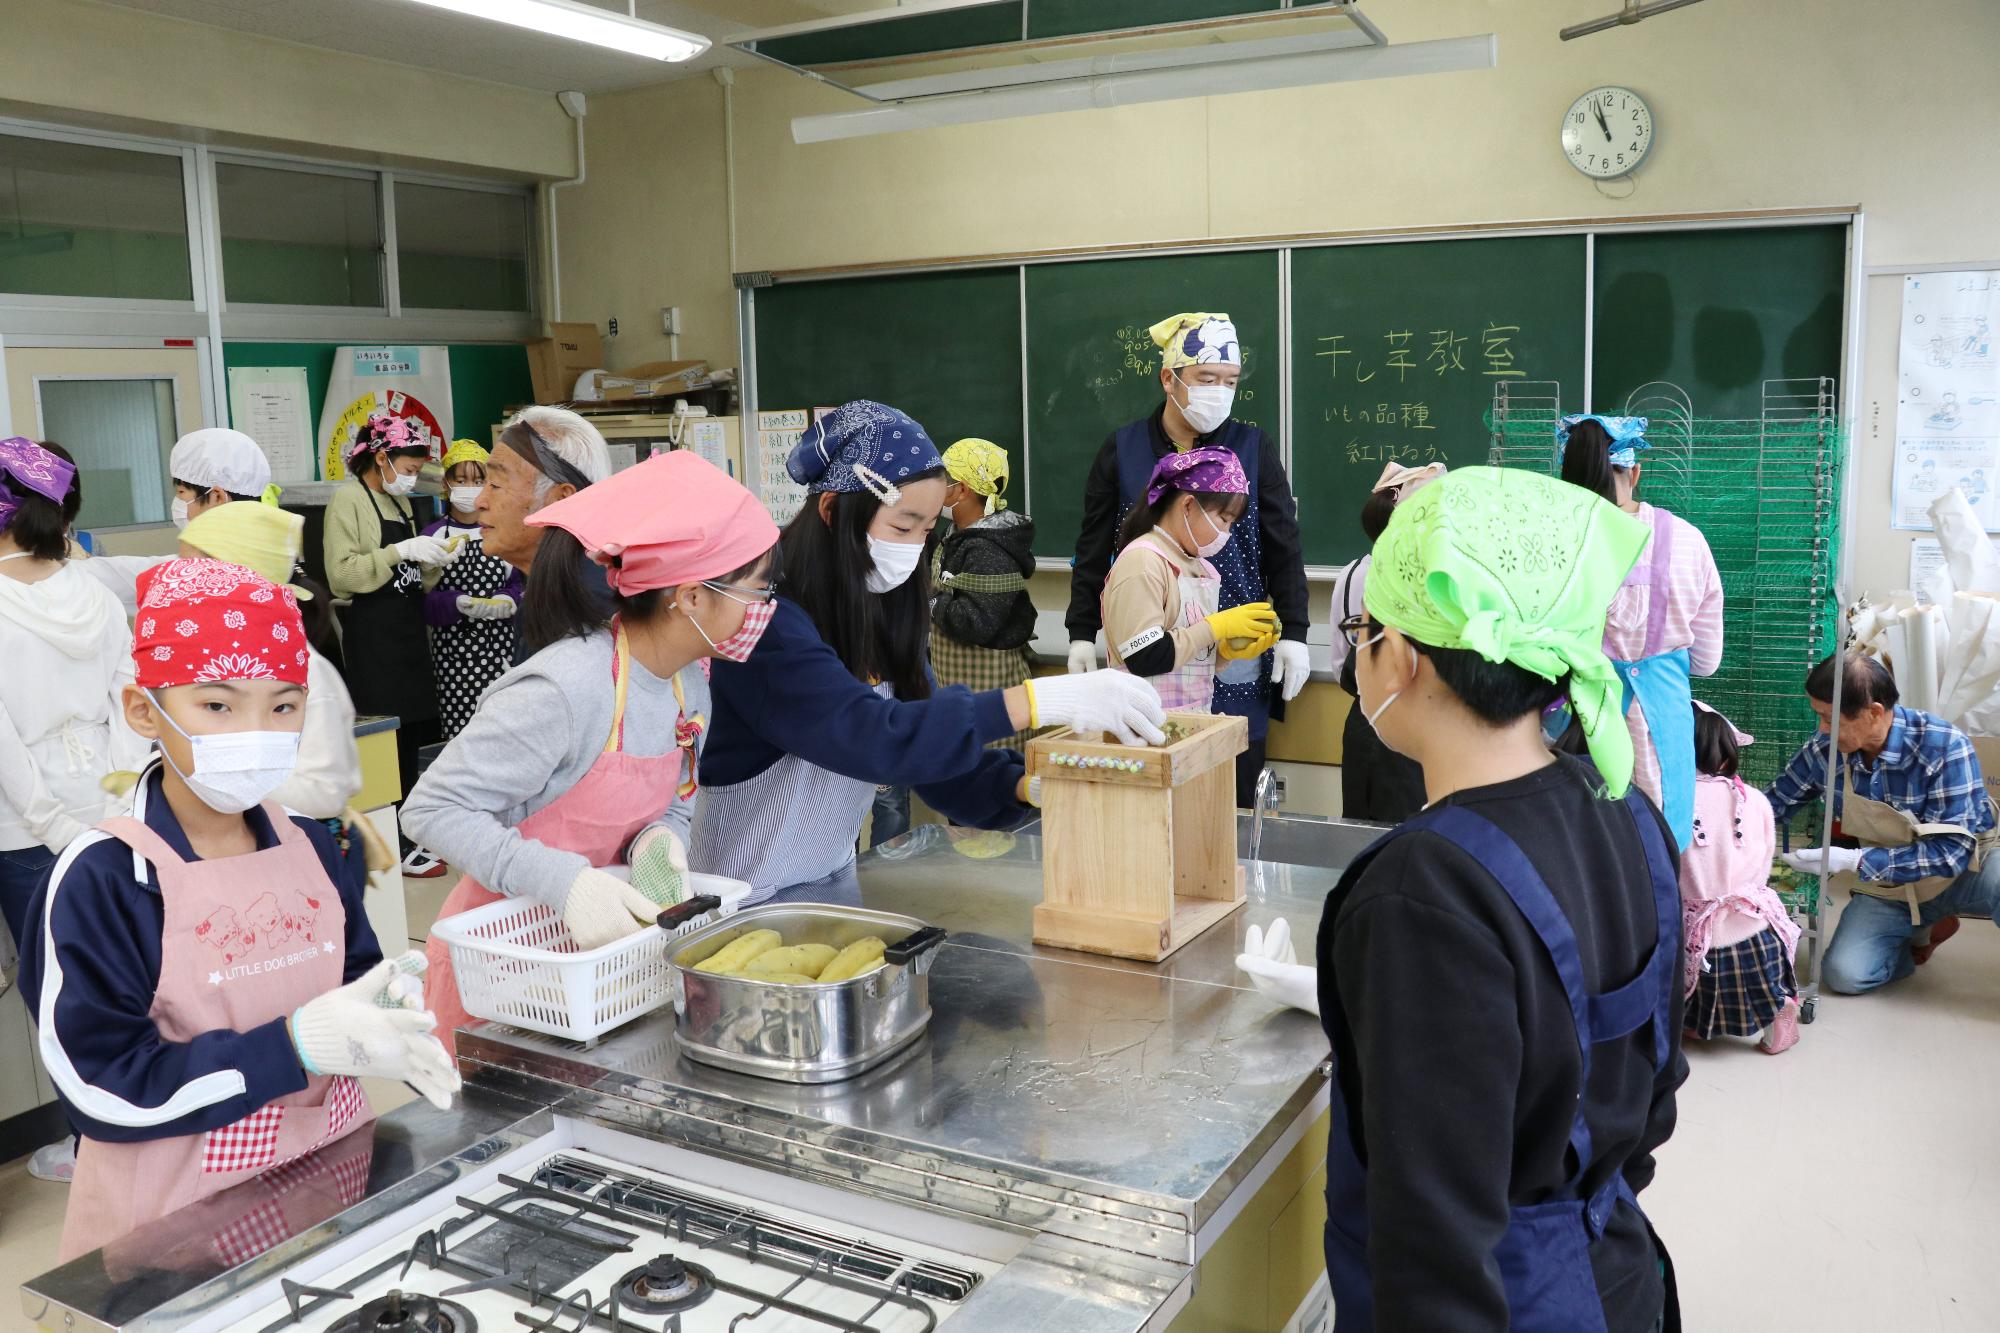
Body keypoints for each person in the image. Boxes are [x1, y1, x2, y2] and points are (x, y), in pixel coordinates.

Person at [1235, 466, 1685, 1331]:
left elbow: (1432, 1244)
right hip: (1618, 1275)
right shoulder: (1627, 812)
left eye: (1364, 628)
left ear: (1403, 655)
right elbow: (1653, 1094)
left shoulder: (1422, 891)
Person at [20, 558, 456, 1261]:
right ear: (143, 711)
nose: (254, 730)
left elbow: (359, 968)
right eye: (218, 705)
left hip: (332, 1174)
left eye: (282, 706)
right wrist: (292, 1047)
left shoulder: (311, 841)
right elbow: (99, 1085)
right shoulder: (104, 878)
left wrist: (396, 1004)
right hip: (177, 1226)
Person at [692, 400, 1166, 906]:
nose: (914, 547)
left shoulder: (882, 614)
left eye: (925, 531)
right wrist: (1039, 701)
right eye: (901, 527)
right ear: (832, 510)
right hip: (735, 901)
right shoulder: (770, 627)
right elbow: (876, 737)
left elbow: (929, 755)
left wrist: (1027, 787)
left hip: (825, 889)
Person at [405, 451, 777, 1052]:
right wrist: (565, 882)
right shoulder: (568, 688)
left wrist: (660, 841)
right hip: (504, 978)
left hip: (607, 975)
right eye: (757, 590)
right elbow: (431, 809)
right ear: (690, 596)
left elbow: (677, 799)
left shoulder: (691, 683)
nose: (764, 610)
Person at [1065, 312, 1311, 806]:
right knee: (1153, 792)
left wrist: (1297, 632)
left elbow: (1283, 543)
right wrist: (1079, 633)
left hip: (1235, 649)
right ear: (1169, 378)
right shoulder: (1123, 450)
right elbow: (1093, 548)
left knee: (1230, 794)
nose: (1218, 391)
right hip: (1149, 652)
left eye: (1230, 381)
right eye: (1205, 379)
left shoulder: (1253, 447)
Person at [0, 438, 148, 1184]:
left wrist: (52, 822)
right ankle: (142, 1113)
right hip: (111, 803)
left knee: (53, 983)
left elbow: (1, 744)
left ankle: (94, 1136)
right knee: (121, 963)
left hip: (25, 826)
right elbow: (130, 698)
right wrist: (117, 795)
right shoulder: (91, 589)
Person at [1766, 653, 2000, 995]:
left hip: (1968, 871)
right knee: (1845, 975)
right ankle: (1919, 933)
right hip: (1894, 886)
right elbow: (1774, 804)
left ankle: (1928, 919)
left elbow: (1953, 853)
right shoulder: (1825, 751)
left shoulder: (1944, 745)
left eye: (1829, 718)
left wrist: (1855, 861)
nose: (1822, 729)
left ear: (1874, 712)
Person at [1559, 414, 1724, 849]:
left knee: (1580, 851)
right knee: (1657, 853)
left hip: (1574, 727)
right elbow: (1707, 663)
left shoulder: (1555, 541)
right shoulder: (1689, 541)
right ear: (1635, 471)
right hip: (1661, 727)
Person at [871, 437, 1042, 845]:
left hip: (988, 690)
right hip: (955, 686)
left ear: (962, 489)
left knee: (989, 820)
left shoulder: (988, 548)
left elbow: (977, 622)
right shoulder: (952, 535)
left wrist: (931, 596)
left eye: (945, 480)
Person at [179, 502, 364, 877]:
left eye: (192, 573)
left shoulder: (307, 673)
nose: (179, 587)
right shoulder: (214, 662)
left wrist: (207, 779)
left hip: (307, 856)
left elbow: (325, 792)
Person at [324, 413, 459, 876]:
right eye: (406, 466)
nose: (412, 477)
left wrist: (435, 557)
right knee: (387, 743)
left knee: (416, 737)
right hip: (374, 640)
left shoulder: (400, 506)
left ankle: (411, 835)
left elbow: (414, 581)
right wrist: (399, 551)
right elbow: (343, 573)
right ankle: (390, 844)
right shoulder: (349, 499)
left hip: (409, 637)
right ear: (380, 457)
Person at [1101, 447, 1276, 710]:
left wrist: (1224, 653)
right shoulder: (1143, 562)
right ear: (1188, 505)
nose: (1226, 533)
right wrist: (1215, 627)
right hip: (1141, 731)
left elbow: (1186, 659)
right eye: (1224, 519)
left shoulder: (1198, 567)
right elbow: (1144, 657)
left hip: (1188, 726)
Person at [1682, 701, 1801, 1053]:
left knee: (1691, 984)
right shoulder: (1758, 800)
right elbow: (1764, 862)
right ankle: (1779, 1013)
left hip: (1694, 932)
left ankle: (1694, 1022)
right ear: (1726, 754)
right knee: (1760, 986)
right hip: (1756, 927)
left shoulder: (1667, 799)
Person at [1326, 460, 1442, 823]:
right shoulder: (1429, 577)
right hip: (1412, 724)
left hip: (1362, 720)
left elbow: (1340, 663)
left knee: (1360, 834)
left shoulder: (1350, 573)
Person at [476, 407, 613, 662]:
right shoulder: (556, 588)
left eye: (495, 485)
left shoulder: (586, 609)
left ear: (562, 500)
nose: (479, 501)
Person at [423, 440, 524, 738]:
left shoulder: (501, 531)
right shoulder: (432, 535)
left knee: (506, 731)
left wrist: (509, 599)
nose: (470, 487)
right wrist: (456, 603)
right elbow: (423, 600)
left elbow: (519, 581)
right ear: (446, 483)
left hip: (502, 649)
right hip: (454, 659)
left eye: (479, 481)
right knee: (462, 736)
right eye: (461, 480)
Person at [170, 427, 274, 528]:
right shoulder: (264, 538)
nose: (177, 501)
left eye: (181, 492)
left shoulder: (211, 545)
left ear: (218, 497)